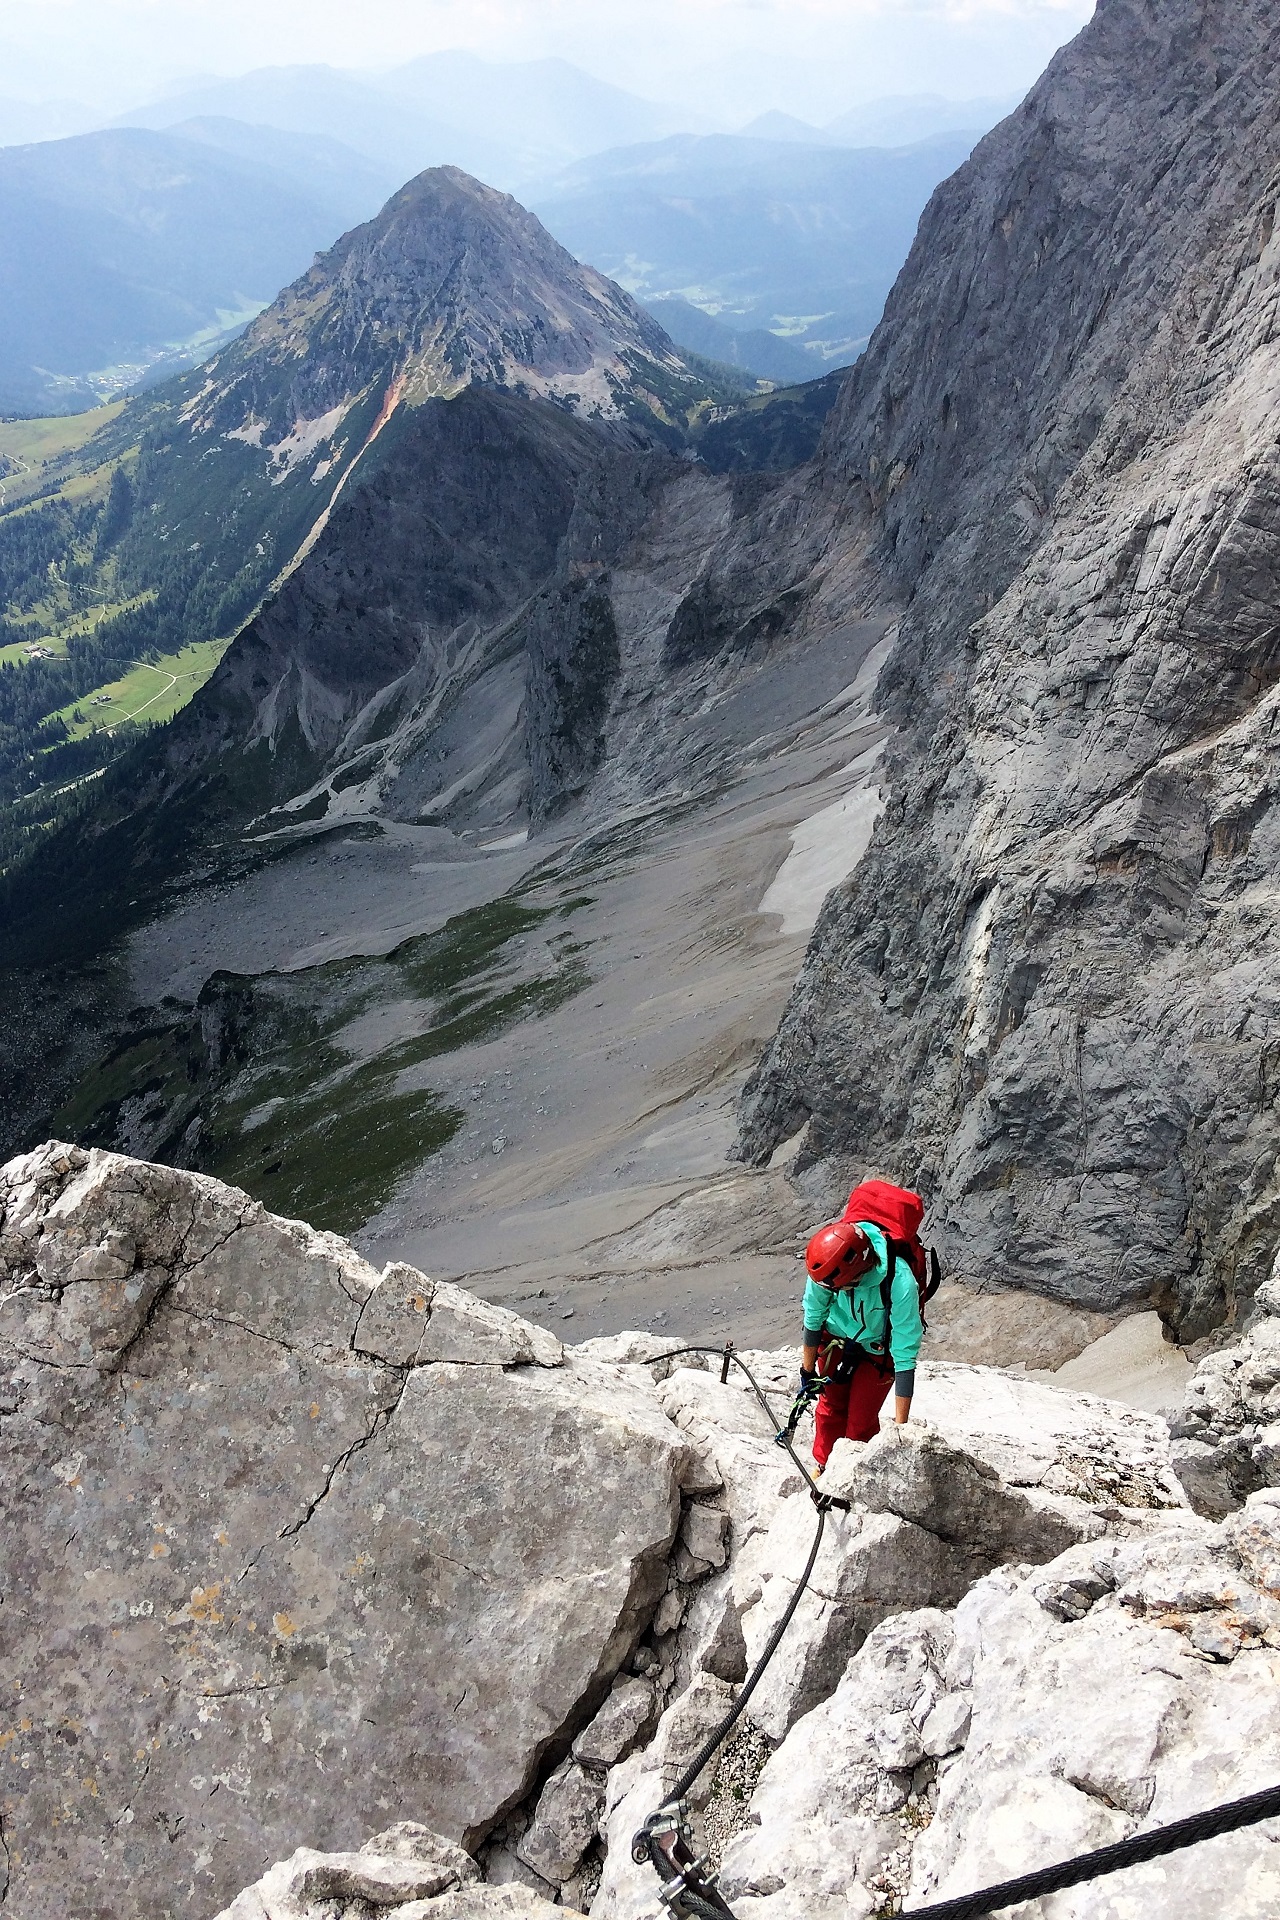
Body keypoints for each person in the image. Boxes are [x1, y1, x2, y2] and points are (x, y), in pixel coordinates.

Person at [797, 1200, 925, 1471]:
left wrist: (899, 1430)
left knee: (861, 1422)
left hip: (879, 1350)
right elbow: (814, 1316)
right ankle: (823, 1466)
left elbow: (904, 1351)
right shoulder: (826, 1266)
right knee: (829, 1406)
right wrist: (808, 1372)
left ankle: (855, 1473)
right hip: (835, 1338)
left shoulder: (899, 1281)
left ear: (855, 1275)